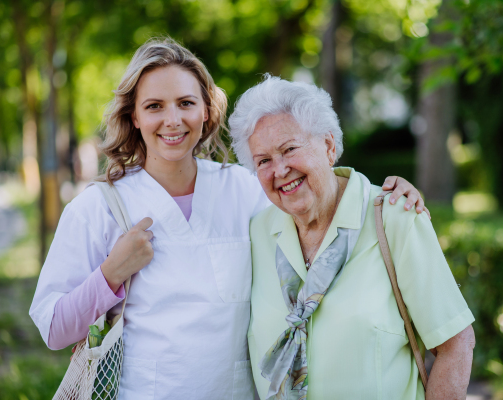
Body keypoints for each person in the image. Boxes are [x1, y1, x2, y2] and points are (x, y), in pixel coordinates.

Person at [29, 38, 427, 399]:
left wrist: (384, 196)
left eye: (186, 103)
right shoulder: (98, 207)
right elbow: (54, 330)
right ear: (134, 116)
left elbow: (319, 205)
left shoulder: (247, 189)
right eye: (154, 106)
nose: (173, 120)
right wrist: (110, 274)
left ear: (206, 111)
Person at [229, 75, 476, 400]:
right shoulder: (256, 233)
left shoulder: (394, 218)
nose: (279, 170)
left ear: (329, 147)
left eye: (289, 149)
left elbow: (455, 344)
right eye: (263, 161)